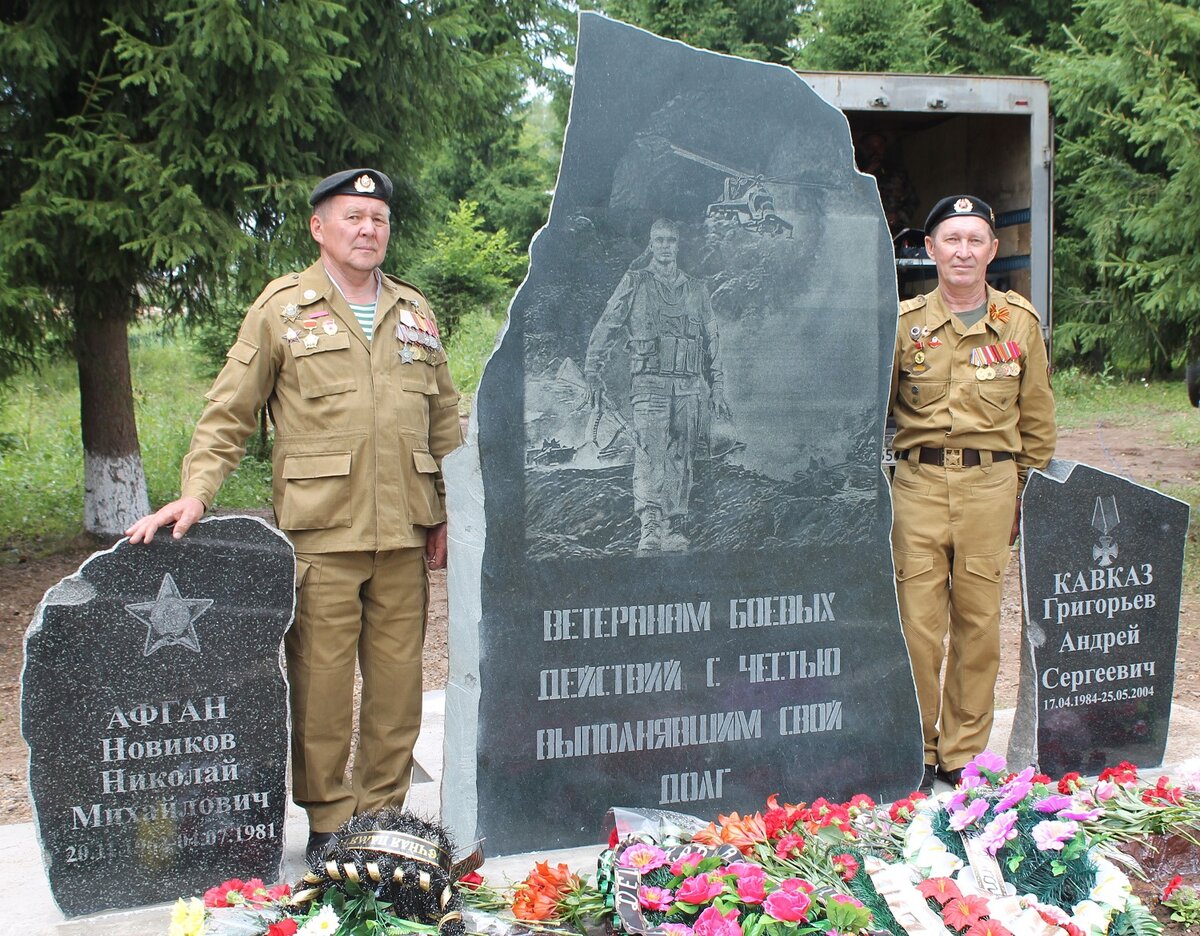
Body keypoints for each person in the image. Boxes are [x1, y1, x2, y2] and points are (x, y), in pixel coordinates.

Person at [126, 168, 462, 861]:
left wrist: (456, 508)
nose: (368, 230)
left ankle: (381, 816)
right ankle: (332, 821)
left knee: (399, 689)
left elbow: (445, 419)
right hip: (321, 533)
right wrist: (198, 491)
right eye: (352, 217)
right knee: (322, 688)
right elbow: (230, 412)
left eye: (378, 218)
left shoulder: (415, 312)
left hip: (404, 533)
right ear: (319, 228)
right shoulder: (282, 309)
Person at [888, 195, 1055, 792]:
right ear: (929, 250)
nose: (963, 250)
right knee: (916, 626)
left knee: (979, 625)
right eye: (950, 239)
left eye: (974, 239)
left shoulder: (1018, 324)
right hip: (918, 487)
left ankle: (961, 754)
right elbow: (877, 414)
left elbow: (1036, 422)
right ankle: (913, 746)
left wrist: (1022, 498)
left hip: (991, 486)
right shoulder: (903, 325)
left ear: (993, 249)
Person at [584, 218, 729, 554]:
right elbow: (609, 322)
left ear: (678, 245)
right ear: (651, 244)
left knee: (682, 454)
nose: (665, 246)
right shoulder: (635, 282)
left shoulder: (696, 288)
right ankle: (650, 525)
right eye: (659, 240)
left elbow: (713, 339)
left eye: (671, 240)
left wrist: (718, 384)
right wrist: (593, 369)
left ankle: (675, 524)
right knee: (650, 453)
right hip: (650, 384)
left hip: (690, 386)